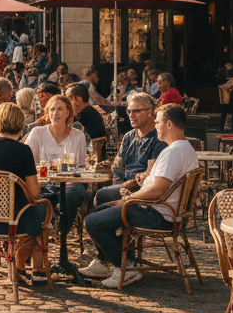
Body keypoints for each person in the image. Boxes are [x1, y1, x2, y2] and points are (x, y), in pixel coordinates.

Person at [82, 104, 199, 288]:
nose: (155, 125)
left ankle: (126, 267)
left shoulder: (173, 152)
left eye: (158, 121)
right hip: (162, 211)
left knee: (92, 221)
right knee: (102, 207)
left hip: (157, 215)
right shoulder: (185, 148)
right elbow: (157, 186)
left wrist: (129, 199)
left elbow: (156, 191)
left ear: (169, 124)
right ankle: (116, 263)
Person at [0, 101, 52, 284]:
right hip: (12, 221)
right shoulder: (23, 151)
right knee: (45, 210)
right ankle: (27, 267)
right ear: (20, 124)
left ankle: (21, 266)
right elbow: (34, 193)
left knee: (35, 211)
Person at [25, 93, 88, 237]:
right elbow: (29, 163)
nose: (55, 113)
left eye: (60, 109)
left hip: (70, 182)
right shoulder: (37, 133)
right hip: (43, 182)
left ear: (68, 112)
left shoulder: (78, 135)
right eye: (52, 109)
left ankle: (63, 234)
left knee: (71, 193)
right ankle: (34, 238)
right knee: (36, 200)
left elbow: (81, 166)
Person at [92, 93, 166, 209]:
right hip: (124, 187)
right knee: (96, 195)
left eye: (136, 111)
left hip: (145, 191)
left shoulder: (159, 138)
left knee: (101, 196)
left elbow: (153, 175)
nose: (131, 115)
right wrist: (120, 188)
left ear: (149, 112)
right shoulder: (129, 136)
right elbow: (117, 168)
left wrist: (129, 187)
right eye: (129, 111)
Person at [66, 82, 108, 155]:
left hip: (85, 159)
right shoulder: (91, 112)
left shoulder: (83, 117)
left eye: (68, 99)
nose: (65, 103)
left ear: (77, 100)